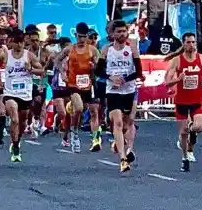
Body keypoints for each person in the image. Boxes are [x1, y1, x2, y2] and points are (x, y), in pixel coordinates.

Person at [96, 20, 142, 173]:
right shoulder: (106, 50)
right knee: (117, 122)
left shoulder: (132, 49)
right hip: (113, 91)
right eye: (119, 32)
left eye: (124, 31)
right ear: (112, 34)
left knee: (128, 123)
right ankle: (123, 159)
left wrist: (123, 80)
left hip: (129, 90)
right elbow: (98, 71)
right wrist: (111, 78)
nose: (122, 34)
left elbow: (139, 72)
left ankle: (120, 143)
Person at [165, 32, 202, 172]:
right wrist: (178, 80)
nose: (191, 45)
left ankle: (192, 131)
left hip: (196, 100)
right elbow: (167, 81)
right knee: (183, 132)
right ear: (183, 44)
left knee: (199, 126)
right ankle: (185, 157)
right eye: (189, 42)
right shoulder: (177, 61)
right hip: (181, 101)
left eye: (193, 42)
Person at [0, 30, 45, 162]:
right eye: (18, 42)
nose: (20, 45)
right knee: (15, 119)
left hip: (25, 93)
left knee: (22, 122)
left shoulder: (29, 56)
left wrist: (30, 69)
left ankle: (17, 141)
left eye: (22, 42)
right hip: (10, 92)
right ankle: (16, 148)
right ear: (12, 42)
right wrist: (0, 81)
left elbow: (42, 71)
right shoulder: (6, 55)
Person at [56, 22, 100, 153]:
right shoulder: (69, 49)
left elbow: (100, 66)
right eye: (79, 36)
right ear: (75, 35)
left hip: (88, 84)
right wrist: (63, 73)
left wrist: (95, 66)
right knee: (80, 108)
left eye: (84, 37)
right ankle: (74, 133)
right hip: (73, 84)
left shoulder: (92, 50)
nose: (81, 40)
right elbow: (57, 60)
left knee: (93, 111)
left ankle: (95, 139)